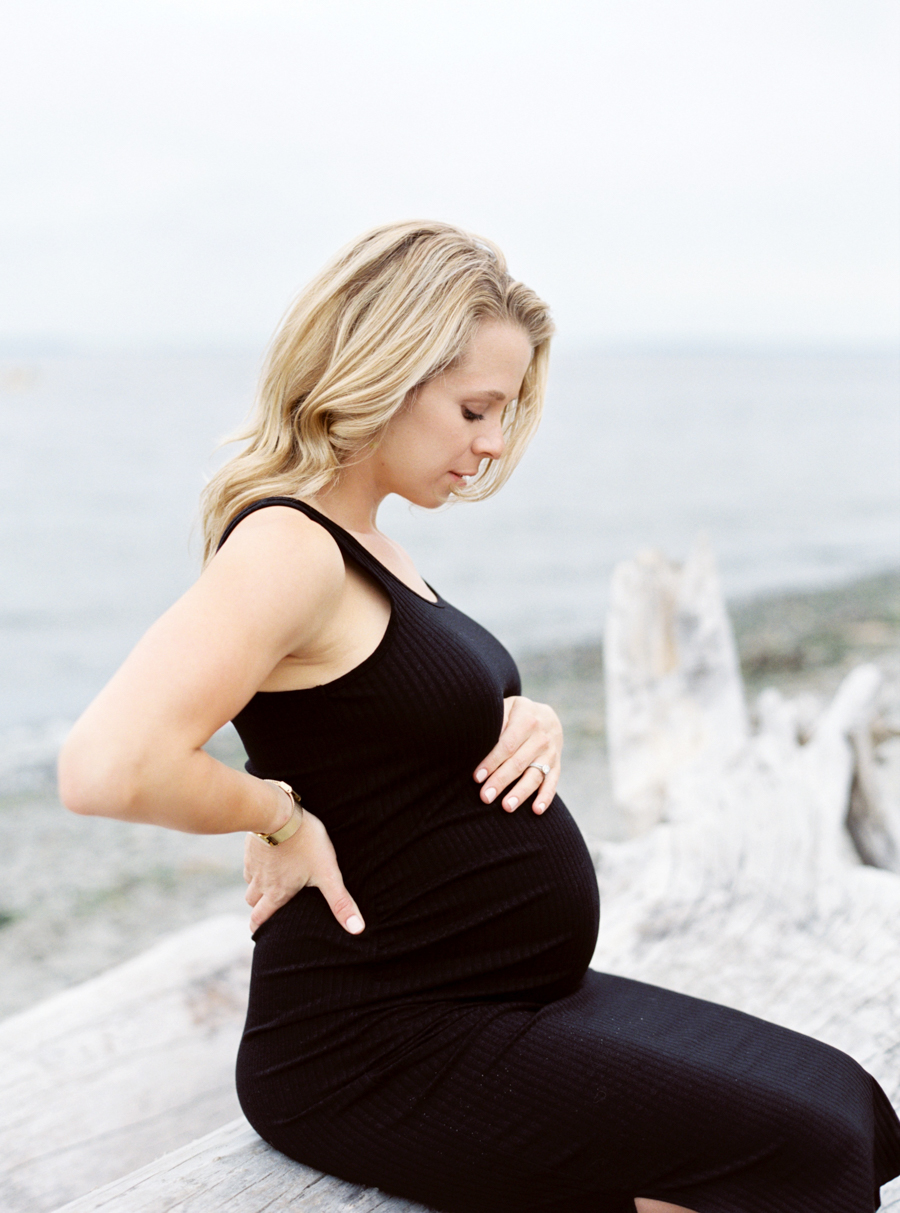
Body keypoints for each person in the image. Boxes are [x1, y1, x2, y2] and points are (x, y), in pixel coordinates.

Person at [59, 220, 900, 1213]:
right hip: (374, 1039)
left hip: (505, 994)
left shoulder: (368, 537)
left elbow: (386, 716)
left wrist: (518, 712)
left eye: (503, 413)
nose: (492, 444)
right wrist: (276, 815)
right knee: (798, 1157)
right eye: (474, 409)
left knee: (850, 1108)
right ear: (386, 370)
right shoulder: (287, 545)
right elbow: (105, 765)